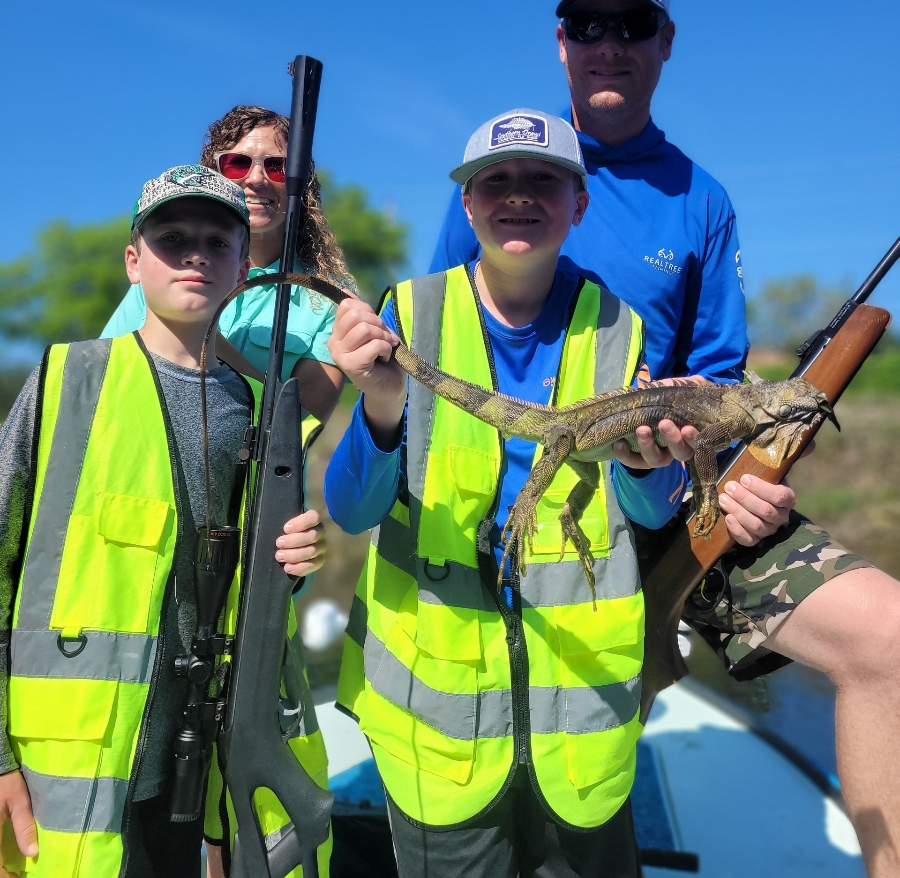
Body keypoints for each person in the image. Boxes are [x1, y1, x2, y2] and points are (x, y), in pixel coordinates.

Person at [431, 0, 900, 875]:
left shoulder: (702, 198)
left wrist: (745, 485)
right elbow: (445, 347)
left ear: (665, 42)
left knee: (886, 638)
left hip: (675, 498)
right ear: (560, 44)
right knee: (529, 789)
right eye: (589, 24)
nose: (610, 44)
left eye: (632, 24)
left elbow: (721, 377)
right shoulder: (500, 177)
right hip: (531, 505)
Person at [323, 111, 790, 878]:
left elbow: (644, 511)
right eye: (495, 182)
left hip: (582, 717)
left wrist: (646, 467)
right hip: (439, 729)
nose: (518, 198)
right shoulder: (408, 314)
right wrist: (379, 404)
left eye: (543, 181)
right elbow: (353, 510)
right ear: (467, 205)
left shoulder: (621, 326)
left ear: (578, 203)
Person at [0, 166, 327, 877]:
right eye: (172, 238)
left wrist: (297, 565)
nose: (194, 255)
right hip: (63, 771)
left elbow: (260, 590)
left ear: (245, 264)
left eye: (217, 241)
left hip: (195, 771)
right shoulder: (66, 379)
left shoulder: (263, 410)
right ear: (133, 259)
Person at [103, 104, 349, 426]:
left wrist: (201, 331)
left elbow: (301, 427)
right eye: (237, 164)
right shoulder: (161, 274)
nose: (257, 178)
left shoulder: (329, 301)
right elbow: (106, 385)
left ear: (300, 182)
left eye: (278, 166)